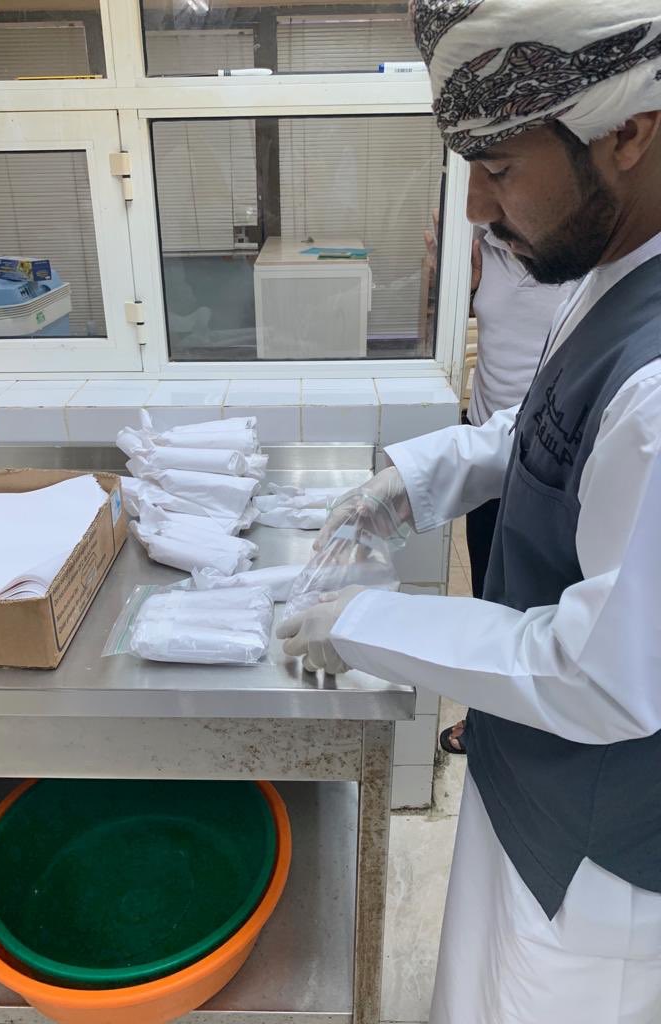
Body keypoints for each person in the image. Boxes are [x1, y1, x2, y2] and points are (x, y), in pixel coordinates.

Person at [277, 2, 661, 1020]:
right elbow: (551, 430)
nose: (476, 209)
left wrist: (365, 620)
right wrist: (411, 481)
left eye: (497, 168)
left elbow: (600, 677)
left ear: (628, 132)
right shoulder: (621, 265)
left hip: (599, 863)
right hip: (532, 775)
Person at [427, 215, 574, 753]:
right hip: (487, 433)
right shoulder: (482, 244)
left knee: (541, 598)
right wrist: (455, 287)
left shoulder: (585, 255)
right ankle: (485, 718)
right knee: (490, 587)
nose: (479, 199)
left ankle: (535, 727)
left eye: (498, 175)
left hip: (554, 453)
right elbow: (458, 325)